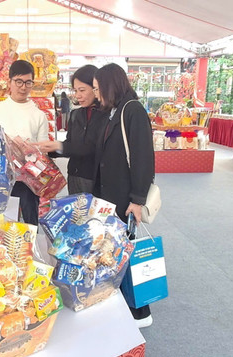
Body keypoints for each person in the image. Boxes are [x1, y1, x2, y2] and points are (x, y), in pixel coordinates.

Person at [93, 63, 155, 328]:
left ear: (109, 86)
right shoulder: (114, 111)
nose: (96, 95)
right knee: (116, 252)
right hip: (111, 196)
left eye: (97, 89)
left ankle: (141, 312)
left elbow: (143, 159)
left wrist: (137, 200)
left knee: (127, 254)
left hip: (125, 198)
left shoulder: (133, 111)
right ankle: (123, 304)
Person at [0, 60, 49, 225]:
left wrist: (29, 151)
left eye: (28, 82)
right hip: (0, 176)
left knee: (30, 223)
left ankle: (31, 248)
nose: (23, 87)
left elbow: (44, 151)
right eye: (19, 82)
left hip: (28, 178)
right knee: (1, 222)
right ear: (9, 82)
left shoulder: (39, 115)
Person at [35, 65, 108, 195]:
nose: (78, 95)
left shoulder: (107, 115)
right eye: (75, 91)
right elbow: (70, 144)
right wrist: (51, 149)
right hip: (74, 176)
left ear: (96, 88)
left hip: (97, 179)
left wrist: (60, 146)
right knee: (76, 213)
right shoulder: (76, 114)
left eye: (82, 90)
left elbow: (94, 147)